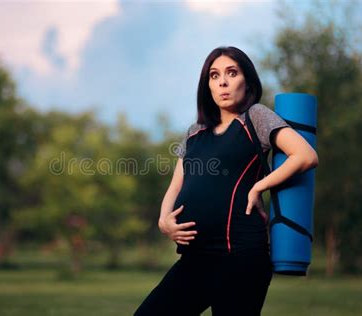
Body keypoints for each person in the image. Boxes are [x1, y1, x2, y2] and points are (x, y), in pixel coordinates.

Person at [133, 46, 318, 316]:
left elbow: (305, 155)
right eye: (214, 75)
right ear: (206, 85)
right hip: (195, 260)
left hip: (240, 260)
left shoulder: (256, 117)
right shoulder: (195, 132)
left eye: (232, 73)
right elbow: (177, 184)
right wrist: (164, 221)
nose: (222, 82)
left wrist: (259, 186)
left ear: (248, 81)